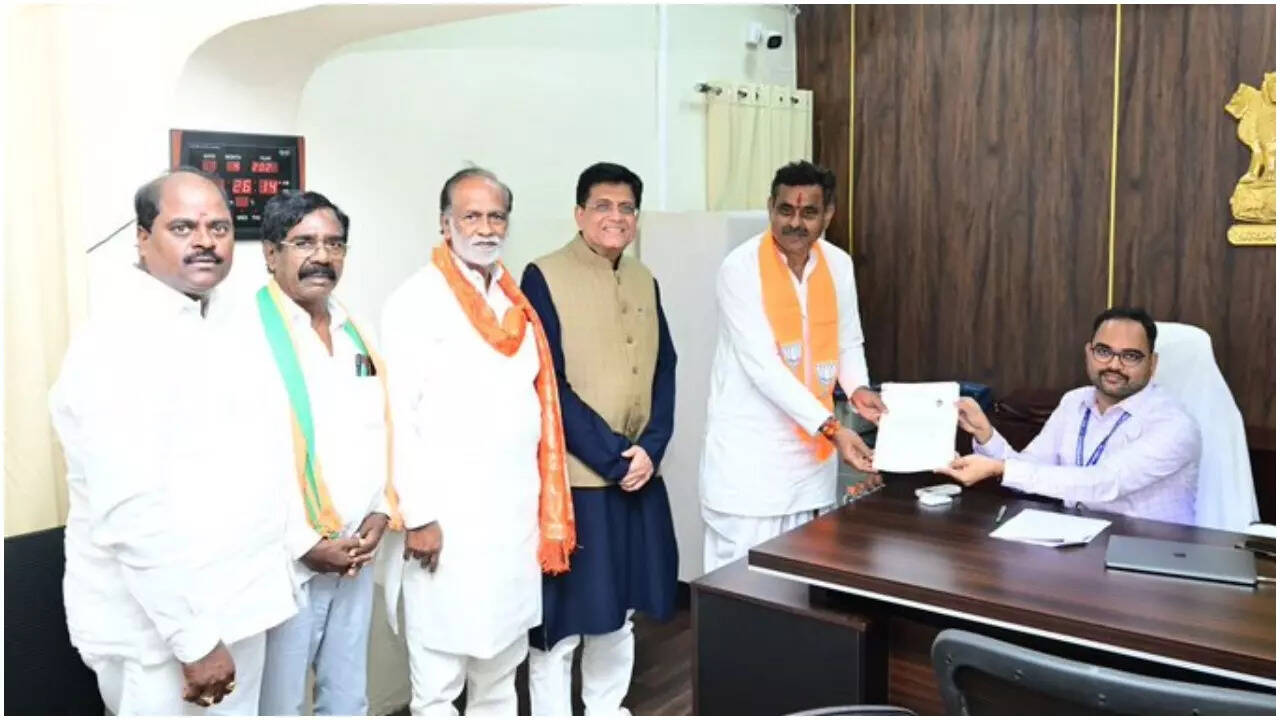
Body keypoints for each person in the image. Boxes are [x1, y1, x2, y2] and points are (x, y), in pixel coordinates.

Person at [49, 169, 297, 714]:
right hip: (165, 638)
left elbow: (257, 462)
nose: (205, 241)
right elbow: (130, 510)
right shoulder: (114, 343)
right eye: (183, 227)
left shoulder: (225, 322)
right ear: (143, 238)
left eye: (219, 227)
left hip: (236, 612)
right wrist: (194, 640)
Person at [379, 167, 575, 715]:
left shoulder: (514, 303)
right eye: (471, 216)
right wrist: (419, 516)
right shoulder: (416, 301)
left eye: (496, 216)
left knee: (500, 672)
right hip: (448, 525)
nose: (486, 228)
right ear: (445, 224)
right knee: (439, 680)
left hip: (513, 521)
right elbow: (398, 417)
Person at [520, 162, 679, 716]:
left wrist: (652, 448)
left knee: (621, 611)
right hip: (578, 482)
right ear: (579, 214)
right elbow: (547, 382)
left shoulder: (643, 277)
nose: (616, 217)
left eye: (627, 207)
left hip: (637, 475)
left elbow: (665, 367)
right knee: (564, 621)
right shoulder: (543, 276)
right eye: (603, 206)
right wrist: (615, 458)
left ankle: (607, 709)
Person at [254, 191, 401, 715]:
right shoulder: (246, 335)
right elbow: (247, 460)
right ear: (271, 253)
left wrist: (381, 510)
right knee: (279, 704)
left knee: (348, 697)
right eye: (305, 243)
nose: (322, 256)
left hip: (355, 551)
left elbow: (376, 426)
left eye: (335, 244)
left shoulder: (354, 329)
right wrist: (304, 543)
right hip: (284, 561)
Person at [700, 160, 884, 573]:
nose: (795, 223)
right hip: (751, 467)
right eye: (786, 210)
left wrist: (858, 389)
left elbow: (847, 340)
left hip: (809, 468)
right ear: (770, 208)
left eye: (809, 213)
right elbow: (763, 368)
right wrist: (834, 428)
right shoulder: (740, 268)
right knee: (741, 588)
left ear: (828, 215)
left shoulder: (838, 264)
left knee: (799, 588)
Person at [939, 307, 1200, 525]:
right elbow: (1028, 471)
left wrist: (1002, 468)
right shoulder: (1074, 402)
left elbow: (1106, 482)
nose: (1114, 365)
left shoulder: (1175, 425)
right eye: (1104, 351)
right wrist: (985, 435)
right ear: (1089, 352)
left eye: (1130, 356)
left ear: (1152, 364)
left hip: (1149, 552)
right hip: (1077, 539)